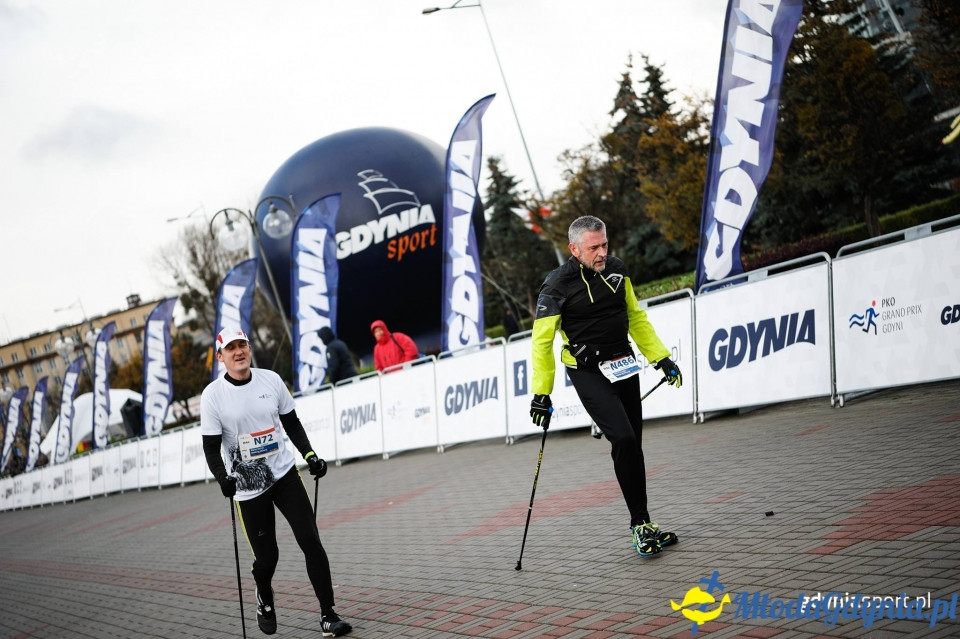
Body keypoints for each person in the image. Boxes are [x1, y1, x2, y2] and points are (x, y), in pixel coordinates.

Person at [529, 215, 683, 558]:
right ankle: (638, 526)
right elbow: (541, 343)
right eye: (593, 247)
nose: (602, 253)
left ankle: (645, 523)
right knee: (624, 439)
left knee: (634, 444)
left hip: (623, 363)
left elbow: (636, 317)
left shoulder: (617, 269)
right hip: (587, 370)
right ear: (574, 249)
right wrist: (542, 393)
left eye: (605, 244)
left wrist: (660, 358)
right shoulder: (556, 286)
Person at [201, 327, 352, 637]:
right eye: (231, 348)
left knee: (310, 540)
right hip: (247, 487)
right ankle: (264, 592)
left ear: (249, 347)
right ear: (221, 357)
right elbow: (210, 446)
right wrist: (222, 478)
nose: (238, 351)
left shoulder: (270, 379)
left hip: (284, 475)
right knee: (268, 558)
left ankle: (328, 614)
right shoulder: (213, 396)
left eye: (242, 344)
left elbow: (292, 424)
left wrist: (310, 455)